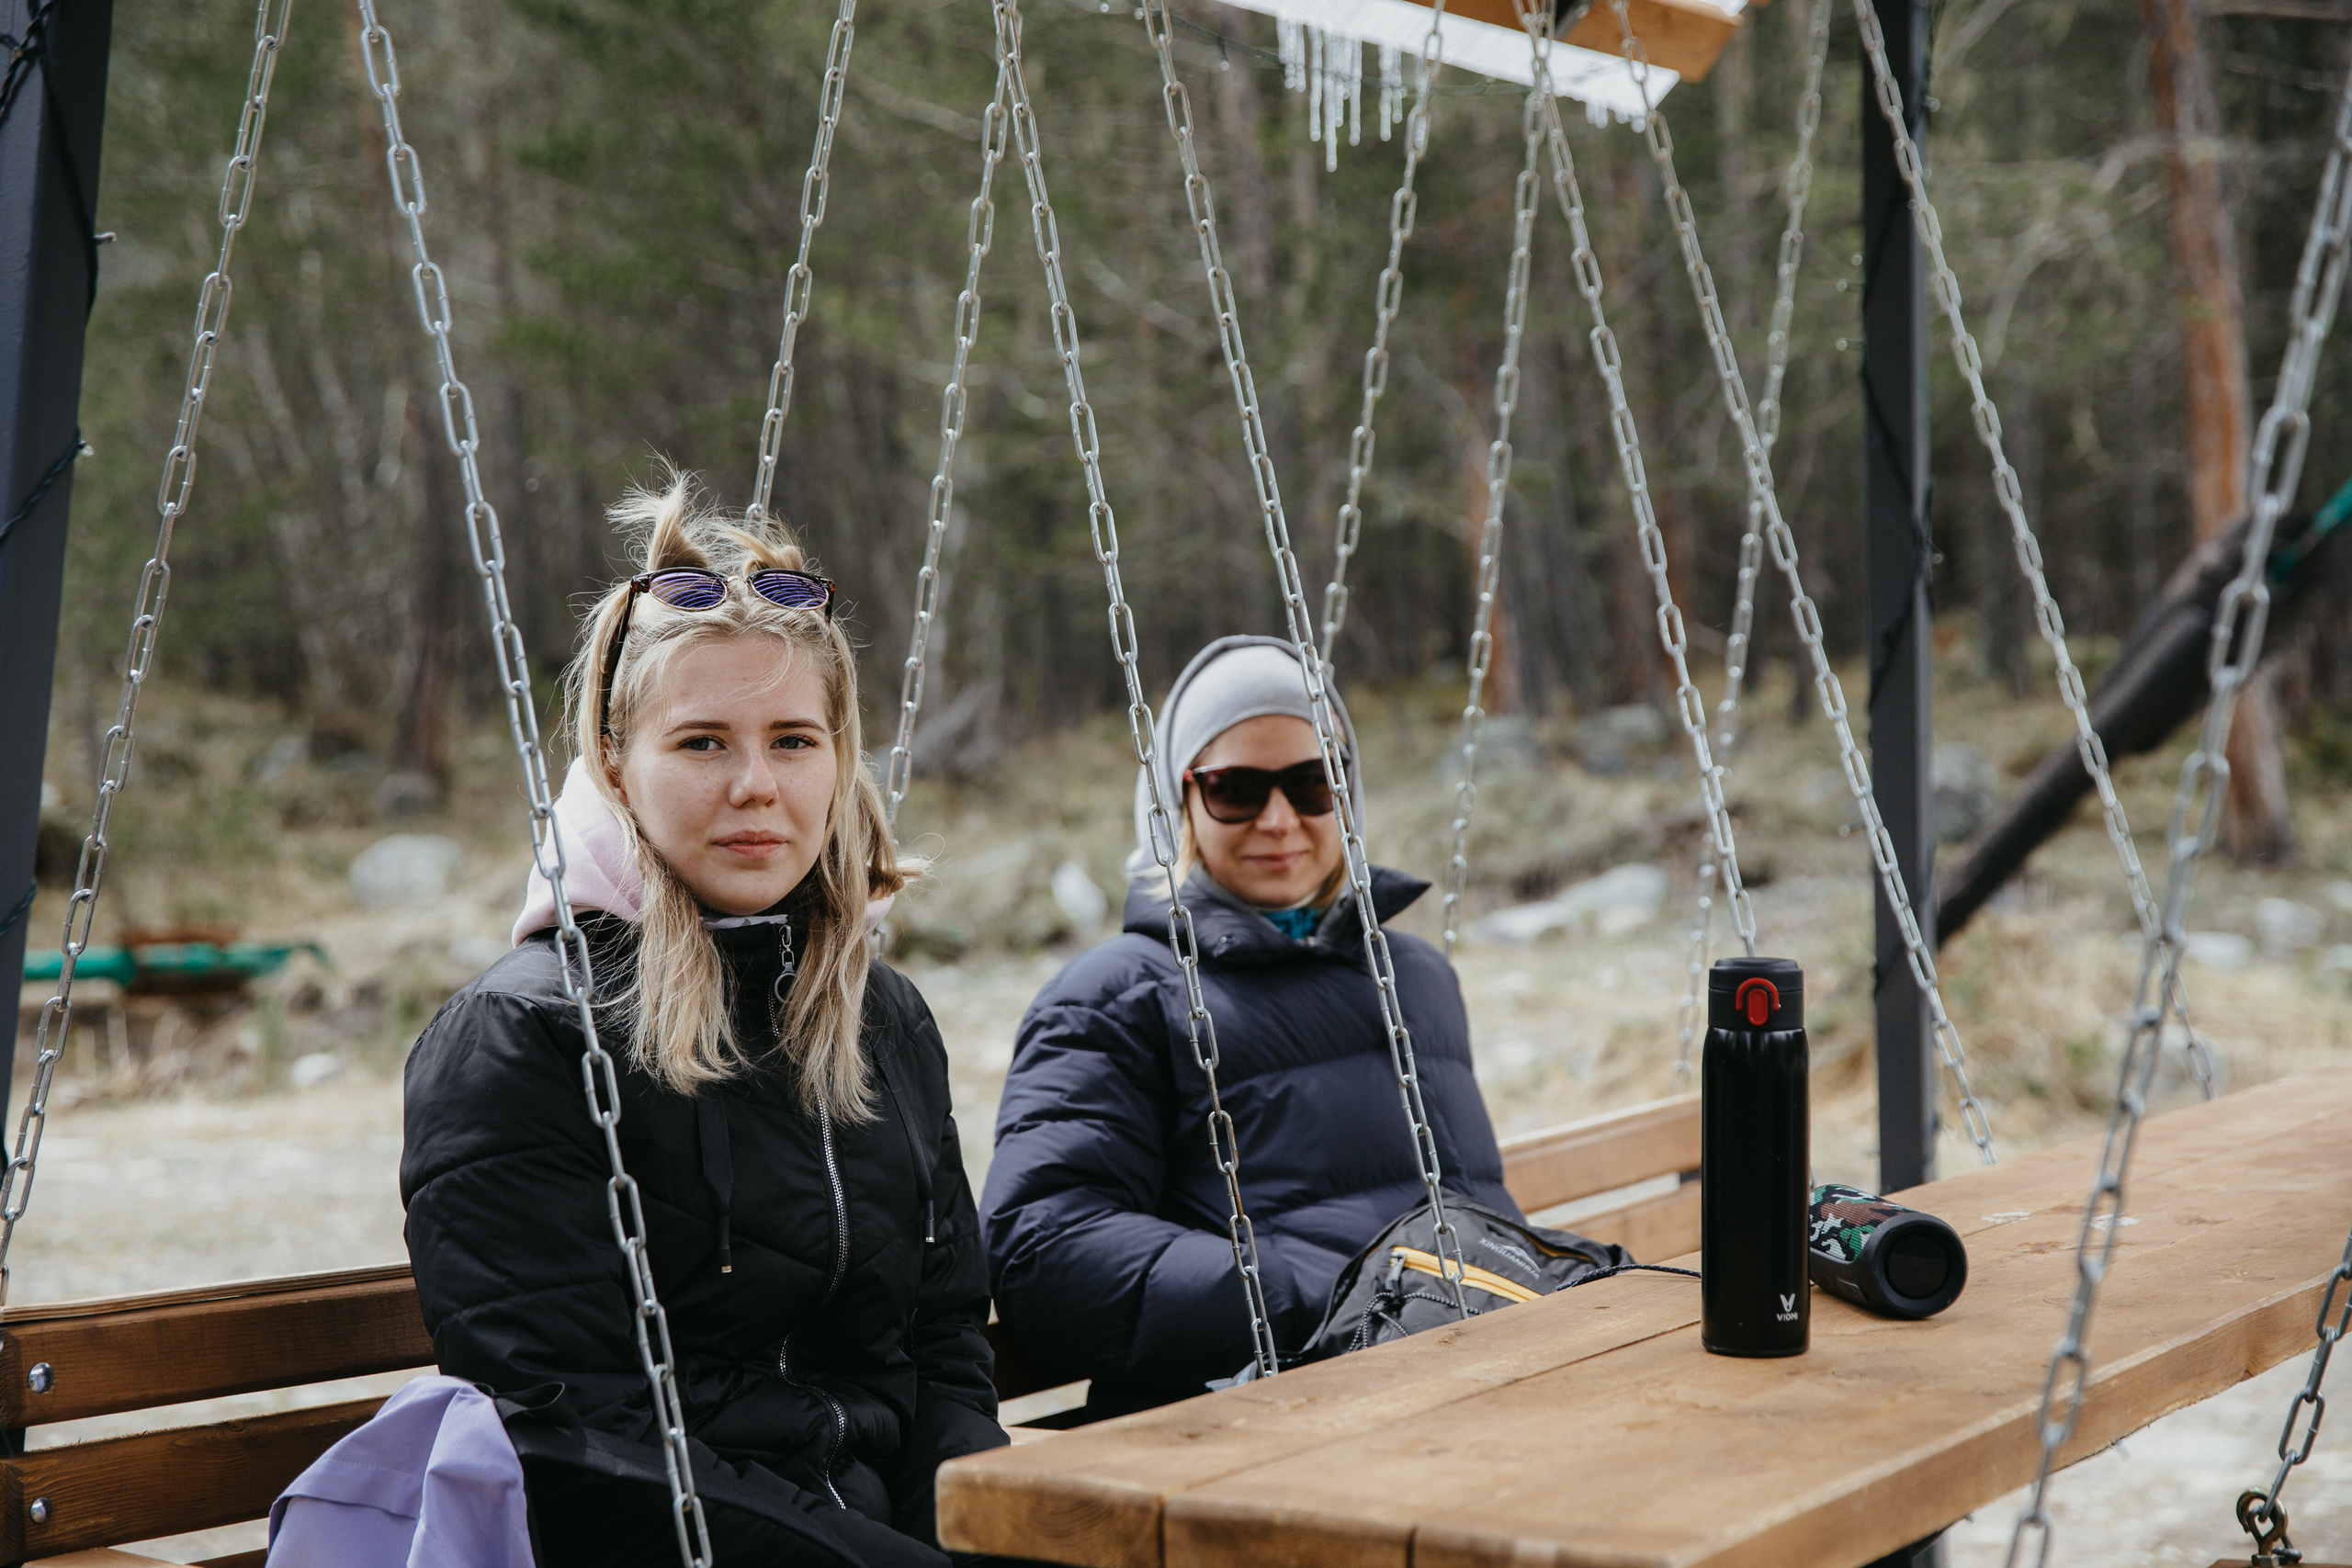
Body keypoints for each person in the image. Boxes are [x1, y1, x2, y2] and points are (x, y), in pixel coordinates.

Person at [401, 470, 1007, 1567]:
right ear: (615, 768)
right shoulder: (525, 1040)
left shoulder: (882, 1021)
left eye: (791, 740)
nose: (754, 786)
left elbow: (944, 1343)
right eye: (700, 744)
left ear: (837, 759)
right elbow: (570, 1438)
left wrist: (968, 1531)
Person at [980, 635, 1522, 1419]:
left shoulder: (1416, 975)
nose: (1279, 819)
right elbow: (1045, 1248)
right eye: (1236, 788)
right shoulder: (1116, 997)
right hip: (1259, 1418)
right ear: (1179, 800)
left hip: (1460, 1390)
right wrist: (1326, 1299)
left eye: (1313, 783)